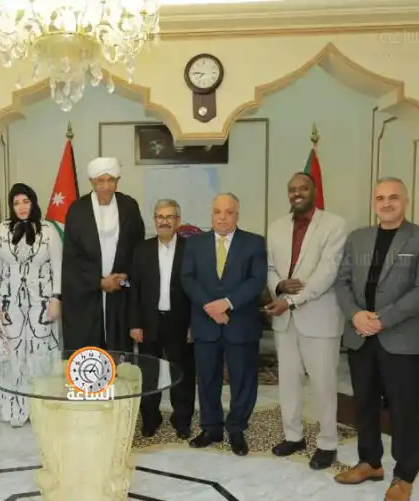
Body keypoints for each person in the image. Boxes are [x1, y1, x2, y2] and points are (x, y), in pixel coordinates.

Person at [334, 177, 419, 501]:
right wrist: (355, 315)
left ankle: (405, 475)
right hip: (360, 335)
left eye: (393, 197)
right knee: (364, 404)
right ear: (374, 202)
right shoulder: (358, 238)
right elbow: (342, 282)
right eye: (380, 198)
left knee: (404, 409)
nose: (387, 203)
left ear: (405, 201)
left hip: (401, 338)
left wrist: (382, 319)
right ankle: (370, 462)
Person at [264, 172, 348, 470]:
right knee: (288, 382)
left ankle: (327, 443)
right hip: (284, 321)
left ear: (314, 190)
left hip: (319, 318)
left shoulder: (335, 224)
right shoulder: (276, 226)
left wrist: (290, 300)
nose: (297, 193)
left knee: (323, 384)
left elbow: (327, 273)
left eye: (302, 188)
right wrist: (278, 286)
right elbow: (269, 267)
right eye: (292, 189)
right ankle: (293, 436)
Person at [181, 193, 266, 455]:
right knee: (207, 379)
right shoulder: (195, 244)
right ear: (212, 214)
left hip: (241, 324)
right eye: (218, 212)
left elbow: (257, 280)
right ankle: (211, 428)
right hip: (206, 323)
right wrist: (210, 307)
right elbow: (188, 278)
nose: (222, 218)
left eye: (229, 212)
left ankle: (237, 428)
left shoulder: (254, 243)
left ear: (237, 215)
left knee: (243, 380)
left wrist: (227, 303)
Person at [0, 183, 62, 426]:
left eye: (25, 201)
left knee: (40, 353)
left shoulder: (49, 230)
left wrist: (56, 299)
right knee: (13, 354)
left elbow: (58, 267)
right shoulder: (2, 230)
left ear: (33, 202)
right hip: (9, 305)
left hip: (42, 303)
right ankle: (14, 411)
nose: (21, 207)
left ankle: (42, 410)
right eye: (16, 202)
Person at [61, 157, 145, 352]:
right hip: (87, 296)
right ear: (92, 182)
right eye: (101, 181)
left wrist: (124, 278)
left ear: (118, 181)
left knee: (119, 354)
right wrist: (98, 283)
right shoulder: (78, 210)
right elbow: (72, 260)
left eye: (111, 180)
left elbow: (138, 249)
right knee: (88, 354)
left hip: (121, 291)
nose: (106, 186)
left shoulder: (128, 206)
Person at [129, 199, 195, 439]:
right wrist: (135, 324)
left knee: (183, 374)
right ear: (154, 220)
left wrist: (194, 323)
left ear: (178, 221)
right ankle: (150, 418)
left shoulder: (190, 249)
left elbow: (197, 290)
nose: (164, 221)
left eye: (169, 217)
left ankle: (182, 420)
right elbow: (134, 290)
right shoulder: (142, 249)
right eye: (160, 217)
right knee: (149, 374)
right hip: (149, 323)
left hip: (180, 322)